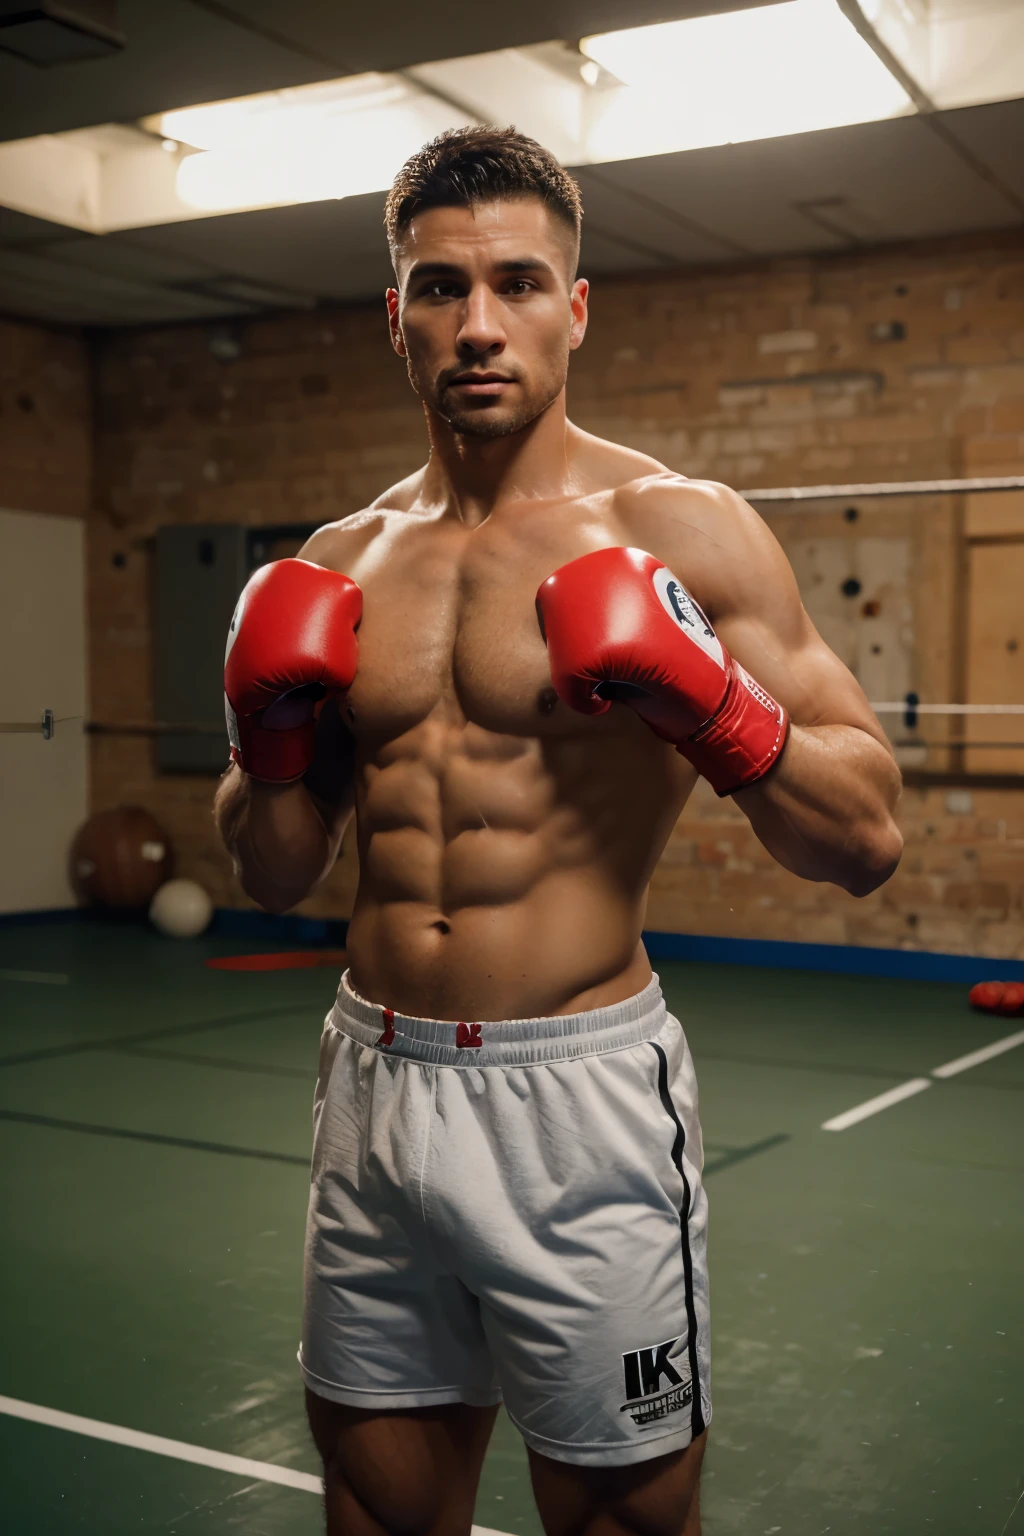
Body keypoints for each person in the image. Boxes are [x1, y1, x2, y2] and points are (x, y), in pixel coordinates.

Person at [214, 126, 903, 1536]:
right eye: (439, 289)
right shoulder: (335, 566)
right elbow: (276, 871)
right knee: (377, 1504)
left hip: (577, 1107)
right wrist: (269, 747)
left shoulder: (684, 532)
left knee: (621, 1518)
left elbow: (865, 834)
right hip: (376, 1092)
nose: (479, 325)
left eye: (520, 283)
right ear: (392, 316)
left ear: (575, 308)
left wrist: (715, 703)